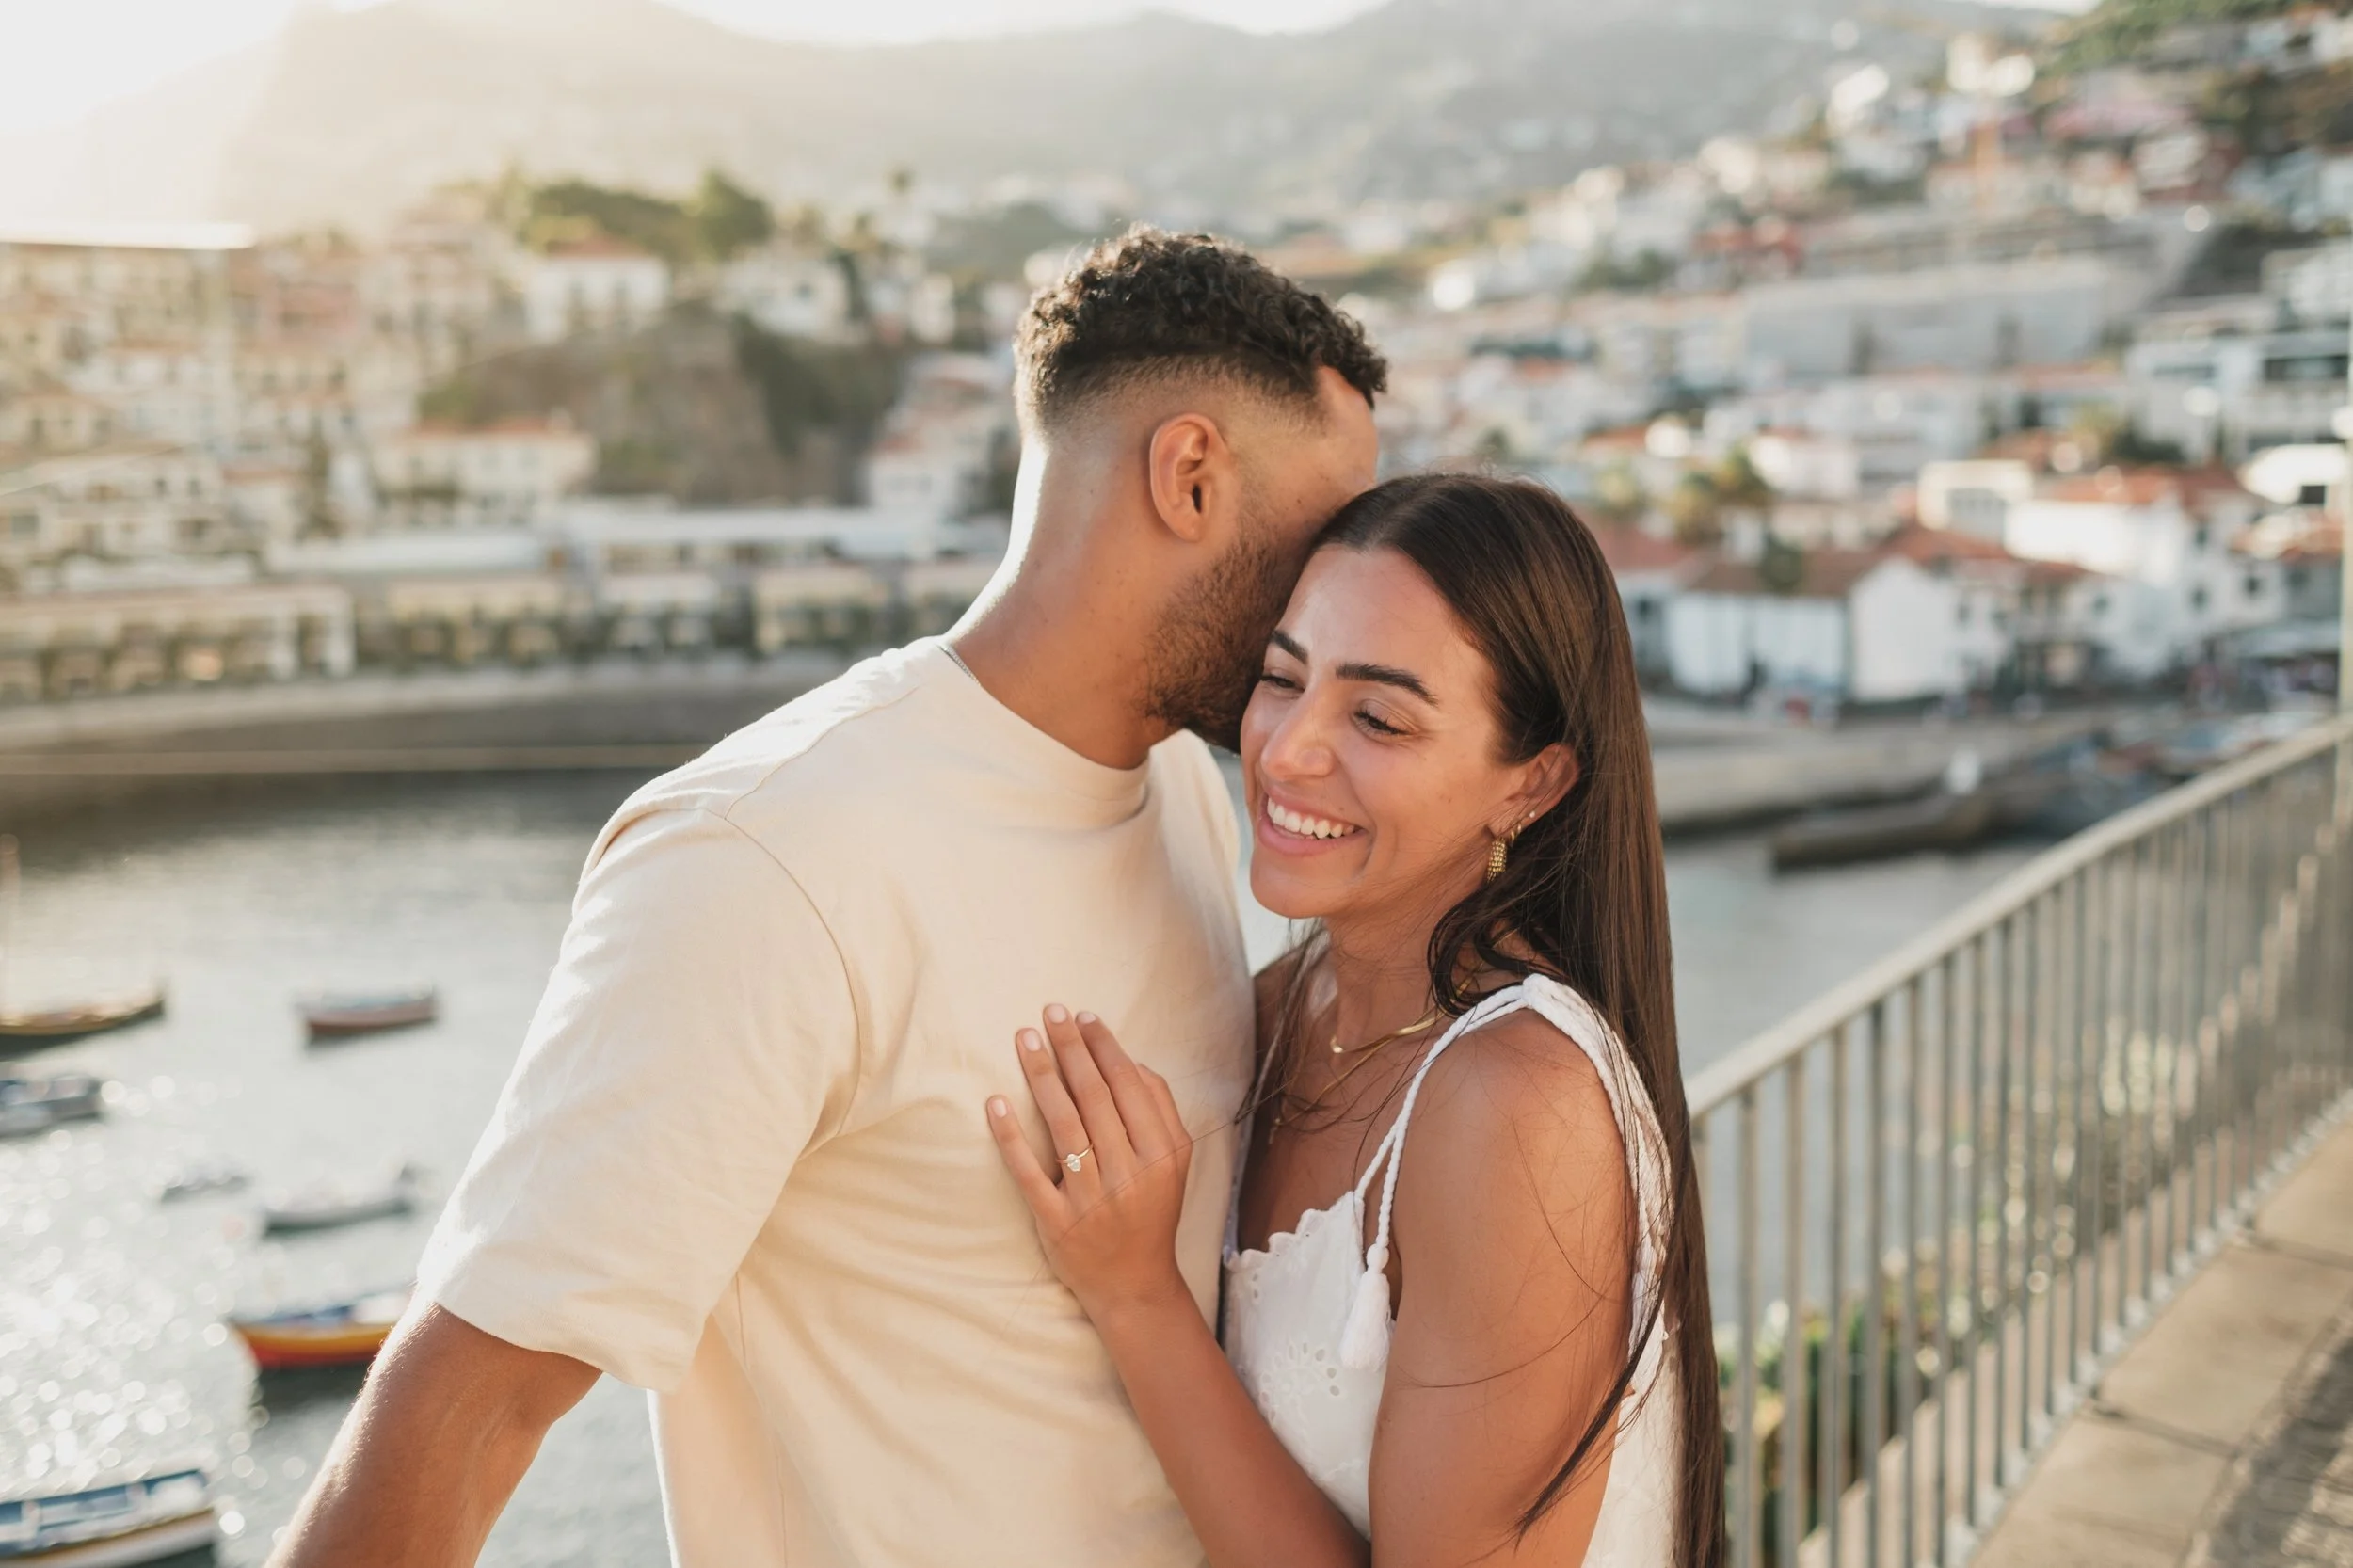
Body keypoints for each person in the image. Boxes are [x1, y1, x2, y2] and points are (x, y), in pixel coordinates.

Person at [266, 228, 1385, 1568]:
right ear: (1191, 475)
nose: (1347, 594)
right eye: (1328, 535)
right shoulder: (762, 857)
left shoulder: (1192, 797)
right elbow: (464, 1411)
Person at [986, 474, 1725, 1567]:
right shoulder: (1279, 1011)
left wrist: (1137, 1296)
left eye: (1377, 716)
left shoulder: (1517, 1105)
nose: (1285, 750)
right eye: (1282, 678)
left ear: (1531, 784)